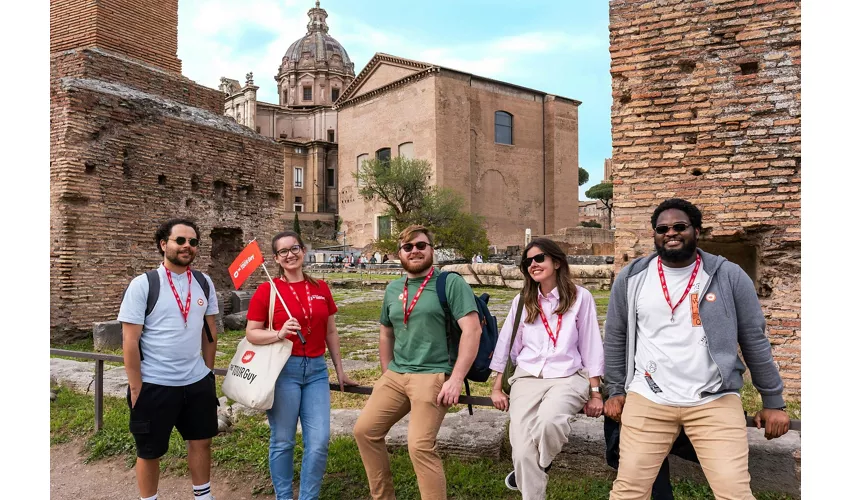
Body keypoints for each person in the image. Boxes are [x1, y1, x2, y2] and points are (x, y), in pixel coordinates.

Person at [604, 198, 791, 500]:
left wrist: (773, 401)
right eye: (662, 228)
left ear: (697, 230)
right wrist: (615, 390)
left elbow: (754, 339)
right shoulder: (631, 277)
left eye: (680, 226)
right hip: (648, 398)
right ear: (654, 234)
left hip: (714, 400)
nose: (671, 233)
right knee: (628, 492)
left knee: (735, 492)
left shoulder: (728, 275)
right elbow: (615, 337)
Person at [353, 225, 482, 500]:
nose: (415, 251)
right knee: (365, 431)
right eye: (408, 247)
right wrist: (386, 372)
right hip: (397, 375)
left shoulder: (450, 283)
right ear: (399, 253)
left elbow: (472, 330)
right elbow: (386, 332)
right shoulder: (393, 288)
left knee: (420, 446)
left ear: (431, 250)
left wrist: (456, 378)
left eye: (421, 246)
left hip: (434, 375)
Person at [245, 230, 359, 500]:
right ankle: (283, 497)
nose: (290, 254)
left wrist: (339, 370)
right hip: (285, 371)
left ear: (303, 250)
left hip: (317, 372)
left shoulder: (321, 287)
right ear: (276, 258)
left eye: (294, 248)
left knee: (318, 443)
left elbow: (331, 332)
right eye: (283, 251)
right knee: (283, 441)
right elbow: (251, 333)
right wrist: (279, 333)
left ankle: (309, 497)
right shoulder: (268, 290)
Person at [489, 238, 604, 499]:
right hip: (527, 377)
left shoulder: (579, 297)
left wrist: (596, 392)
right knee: (520, 451)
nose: (533, 264)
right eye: (528, 261)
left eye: (539, 258)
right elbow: (507, 344)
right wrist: (497, 386)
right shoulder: (523, 300)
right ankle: (532, 484)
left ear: (557, 262)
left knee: (549, 423)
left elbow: (591, 345)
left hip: (567, 377)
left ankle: (540, 463)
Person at [118, 218, 220, 500]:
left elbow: (210, 331)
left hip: (196, 382)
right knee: (149, 451)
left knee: (201, 442)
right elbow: (129, 340)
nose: (188, 246)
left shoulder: (204, 282)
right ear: (164, 244)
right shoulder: (144, 284)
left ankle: (203, 497)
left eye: (193, 242)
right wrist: (136, 387)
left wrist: (207, 373)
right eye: (181, 240)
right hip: (155, 383)